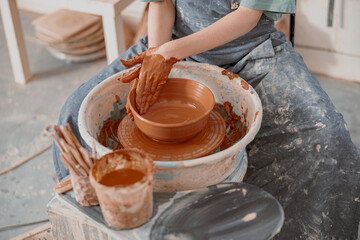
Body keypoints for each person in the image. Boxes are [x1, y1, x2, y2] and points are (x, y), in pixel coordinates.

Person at [53, 0, 360, 238]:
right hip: (170, 42)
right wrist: (158, 55)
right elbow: (161, 4)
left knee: (329, 143)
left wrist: (171, 54)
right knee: (73, 120)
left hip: (251, 51)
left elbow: (247, 16)